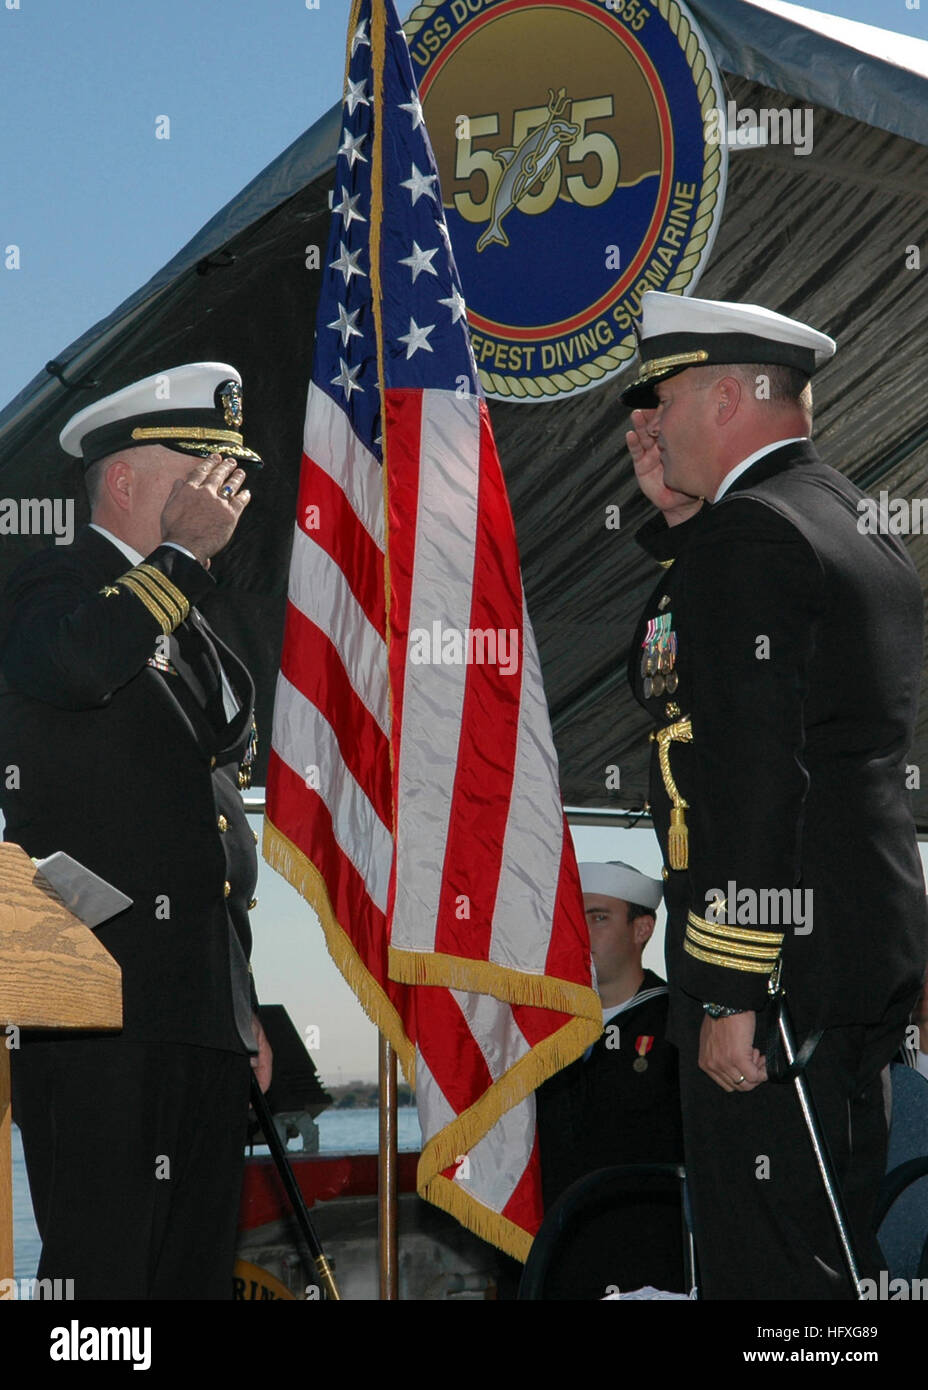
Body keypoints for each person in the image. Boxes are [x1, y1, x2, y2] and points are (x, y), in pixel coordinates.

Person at [622, 291, 928, 1300]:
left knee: (778, 1283)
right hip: (846, 953)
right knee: (829, 1255)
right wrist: (677, 528)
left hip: (774, 974)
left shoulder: (747, 540)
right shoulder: (841, 518)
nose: (647, 425)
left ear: (722, 398)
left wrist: (730, 991)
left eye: (659, 398)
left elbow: (755, 776)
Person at [0, 362, 272, 1299]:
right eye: (200, 466)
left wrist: (241, 1010)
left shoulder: (192, 611)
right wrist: (182, 562)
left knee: (192, 1275)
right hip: (89, 1005)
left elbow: (210, 826)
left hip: (198, 1014)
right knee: (106, 1279)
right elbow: (76, 666)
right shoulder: (45, 584)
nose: (222, 488)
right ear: (122, 479)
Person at [535, 860, 685, 1298]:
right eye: (574, 919)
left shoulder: (679, 1027)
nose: (581, 934)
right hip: (554, 1257)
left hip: (646, 1265)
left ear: (642, 930)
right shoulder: (543, 1027)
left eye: (598, 917)